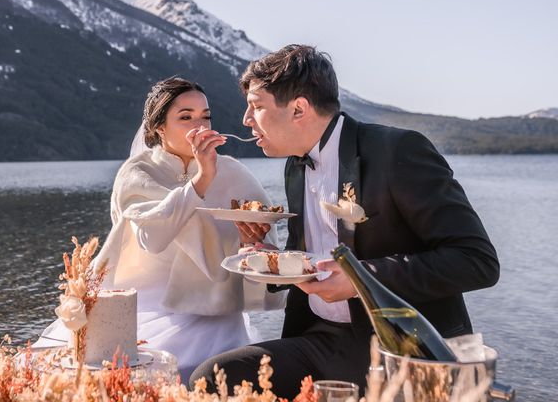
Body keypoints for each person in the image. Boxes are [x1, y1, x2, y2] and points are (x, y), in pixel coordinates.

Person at [190, 45, 500, 397]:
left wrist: (360, 280)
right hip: (320, 340)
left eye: (257, 106)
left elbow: (478, 261)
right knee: (213, 377)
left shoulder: (398, 151)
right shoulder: (296, 164)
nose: (246, 119)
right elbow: (311, 256)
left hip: (400, 350)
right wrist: (265, 254)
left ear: (299, 108)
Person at [35, 76, 284, 381]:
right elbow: (152, 238)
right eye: (186, 118)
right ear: (158, 128)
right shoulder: (137, 173)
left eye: (206, 117)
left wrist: (251, 247)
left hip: (212, 306)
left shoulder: (233, 172)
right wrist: (202, 178)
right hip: (145, 304)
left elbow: (258, 256)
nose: (200, 127)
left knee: (221, 336)